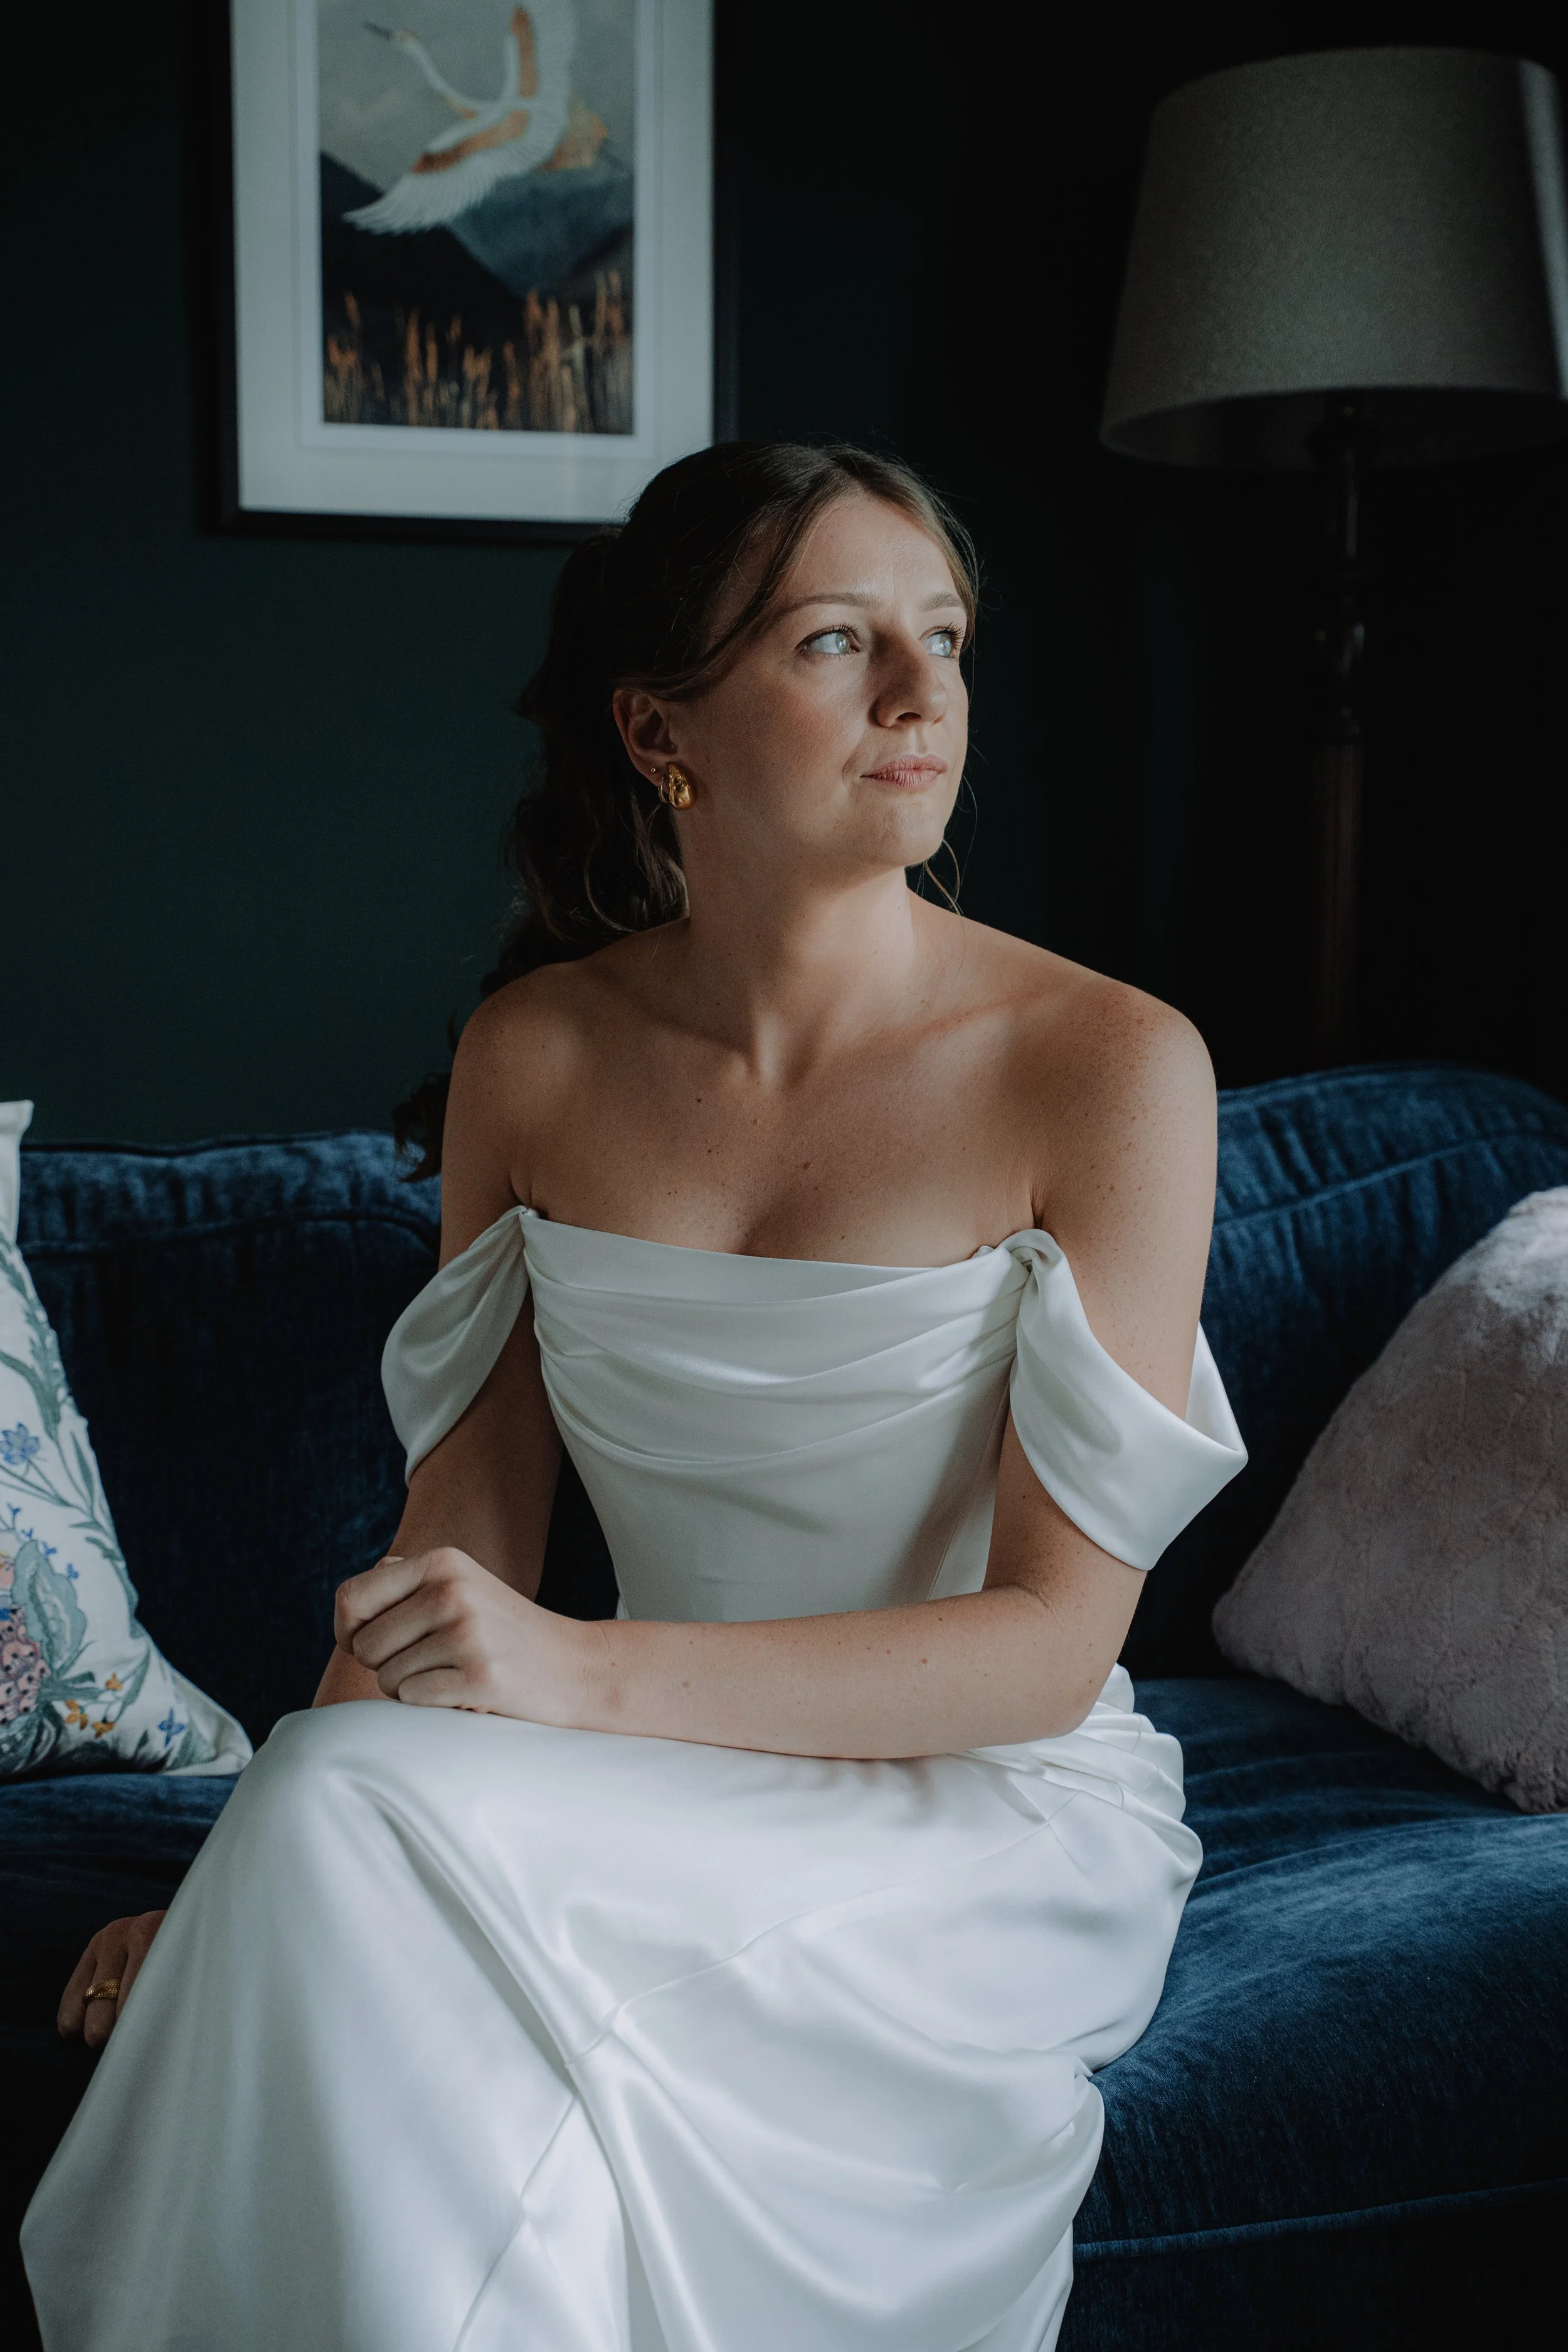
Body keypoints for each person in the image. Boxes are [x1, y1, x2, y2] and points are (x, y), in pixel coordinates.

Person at [23, 442, 1244, 2351]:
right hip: (624, 1774)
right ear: (659, 726)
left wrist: (575, 1679)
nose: (923, 700)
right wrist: (237, 1896)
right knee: (337, 1810)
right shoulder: (536, 1054)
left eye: (944, 639)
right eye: (840, 644)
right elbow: (463, 1549)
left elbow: (1045, 1651)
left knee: (355, 1826)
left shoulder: (1108, 1066)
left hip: (972, 1803)